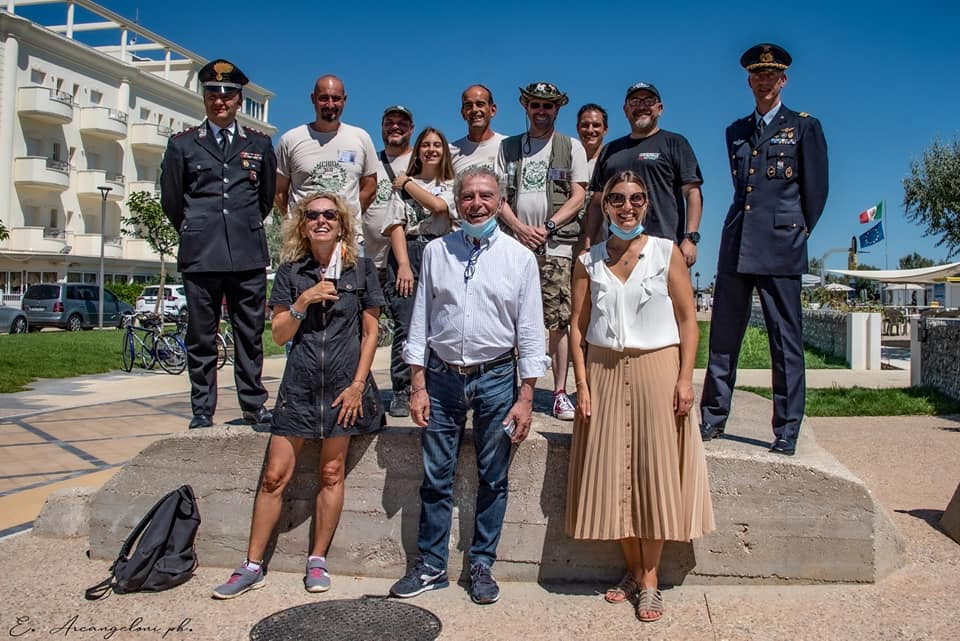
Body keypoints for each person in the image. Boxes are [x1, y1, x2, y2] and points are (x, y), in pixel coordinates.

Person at [212, 192, 384, 599]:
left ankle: (317, 559)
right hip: (300, 387)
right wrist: (304, 300)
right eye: (312, 216)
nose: (321, 220)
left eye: (329, 215)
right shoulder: (292, 273)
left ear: (341, 223)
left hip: (344, 387)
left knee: (330, 472)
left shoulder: (361, 271)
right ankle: (252, 564)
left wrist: (358, 385)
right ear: (303, 225)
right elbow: (278, 333)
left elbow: (372, 332)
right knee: (274, 477)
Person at [389, 167, 548, 605]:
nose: (477, 203)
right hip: (441, 378)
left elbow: (532, 332)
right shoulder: (437, 252)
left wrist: (526, 396)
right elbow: (420, 321)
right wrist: (417, 385)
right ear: (457, 203)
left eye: (486, 196)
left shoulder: (520, 258)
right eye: (469, 196)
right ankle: (431, 565)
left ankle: (481, 563)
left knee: (493, 477)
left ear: (500, 202)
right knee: (436, 476)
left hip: (497, 377)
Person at [565, 171, 714, 623]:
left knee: (654, 473)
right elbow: (576, 326)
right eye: (617, 200)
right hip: (605, 372)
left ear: (646, 205)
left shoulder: (666, 253)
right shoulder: (588, 261)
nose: (626, 207)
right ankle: (633, 569)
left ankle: (649, 580)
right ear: (605, 205)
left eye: (635, 199)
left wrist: (686, 379)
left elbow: (689, 320)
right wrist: (583, 385)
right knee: (614, 476)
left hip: (657, 370)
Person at [700, 43, 829, 456]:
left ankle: (787, 427)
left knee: (785, 341)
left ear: (783, 80)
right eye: (757, 75)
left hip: (780, 246)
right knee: (723, 336)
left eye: (771, 75)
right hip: (737, 242)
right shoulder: (735, 131)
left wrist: (795, 231)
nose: (764, 81)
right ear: (749, 80)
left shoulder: (804, 127)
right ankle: (713, 417)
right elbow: (744, 190)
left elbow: (816, 192)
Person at [160, 59, 276, 429]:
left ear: (239, 100)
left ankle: (253, 404)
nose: (220, 102)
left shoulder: (258, 144)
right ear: (205, 98)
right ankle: (202, 409)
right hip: (201, 255)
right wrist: (198, 229)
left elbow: (266, 197)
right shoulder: (182, 145)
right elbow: (172, 201)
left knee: (249, 334)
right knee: (201, 337)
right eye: (212, 94)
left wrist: (238, 227)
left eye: (227, 95)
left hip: (247, 253)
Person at [495, 82, 588, 421]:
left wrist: (547, 226)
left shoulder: (570, 146)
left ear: (557, 110)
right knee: (511, 318)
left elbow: (578, 196)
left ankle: (560, 391)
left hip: (556, 244)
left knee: (558, 321)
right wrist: (519, 229)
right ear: (526, 107)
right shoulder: (508, 147)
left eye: (548, 106)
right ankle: (516, 389)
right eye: (536, 105)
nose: (542, 111)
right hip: (513, 244)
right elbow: (498, 197)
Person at [381, 127, 457, 418]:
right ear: (418, 150)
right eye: (426, 145)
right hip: (408, 252)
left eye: (437, 145)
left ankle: (436, 385)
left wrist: (406, 183)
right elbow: (396, 226)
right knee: (406, 323)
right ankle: (402, 389)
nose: (431, 150)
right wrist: (402, 265)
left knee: (440, 321)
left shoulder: (451, 184)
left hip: (441, 249)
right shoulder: (400, 189)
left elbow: (439, 206)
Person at [584, 82, 703, 266]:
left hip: (664, 248)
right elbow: (597, 202)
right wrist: (589, 242)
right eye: (635, 102)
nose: (642, 107)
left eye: (649, 101)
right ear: (625, 110)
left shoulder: (675, 143)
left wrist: (691, 238)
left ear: (660, 108)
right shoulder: (610, 150)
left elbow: (693, 192)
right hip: (616, 251)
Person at [274, 75, 378, 226]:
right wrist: (296, 222)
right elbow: (279, 192)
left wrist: (347, 217)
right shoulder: (290, 140)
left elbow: (370, 188)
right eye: (324, 98)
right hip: (303, 240)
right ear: (313, 98)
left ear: (344, 100)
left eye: (336, 98)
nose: (330, 105)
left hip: (349, 239)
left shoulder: (361, 138)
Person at [364, 105, 415, 283]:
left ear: (411, 129)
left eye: (402, 123)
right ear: (382, 127)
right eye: (389, 123)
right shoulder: (370, 162)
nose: (395, 127)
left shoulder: (421, 161)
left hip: (408, 265)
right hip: (372, 263)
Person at [451, 85, 505, 174]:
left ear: (492, 110)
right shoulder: (451, 152)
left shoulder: (508, 146)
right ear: (463, 113)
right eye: (468, 105)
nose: (474, 109)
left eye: (480, 104)